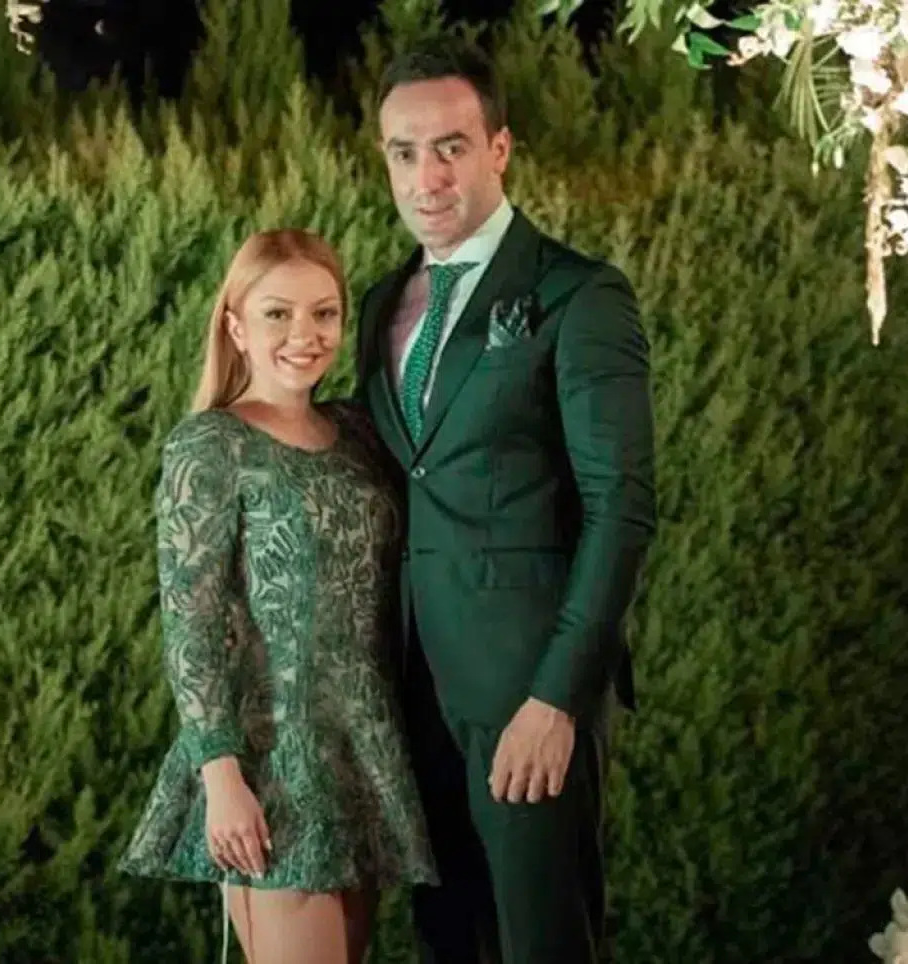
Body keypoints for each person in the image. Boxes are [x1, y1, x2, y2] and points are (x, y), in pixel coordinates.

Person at [353, 37, 657, 964]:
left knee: (543, 944)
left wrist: (557, 698)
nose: (427, 177)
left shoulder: (578, 294)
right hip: (411, 696)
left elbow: (620, 507)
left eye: (450, 147)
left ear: (499, 148)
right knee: (448, 944)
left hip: (526, 696)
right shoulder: (379, 304)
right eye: (405, 152)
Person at [120, 228, 438, 964]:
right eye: (277, 313)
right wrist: (221, 776)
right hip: (269, 765)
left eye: (324, 313)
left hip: (361, 750)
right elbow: (191, 622)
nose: (305, 334)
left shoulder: (359, 431)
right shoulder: (210, 444)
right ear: (236, 326)